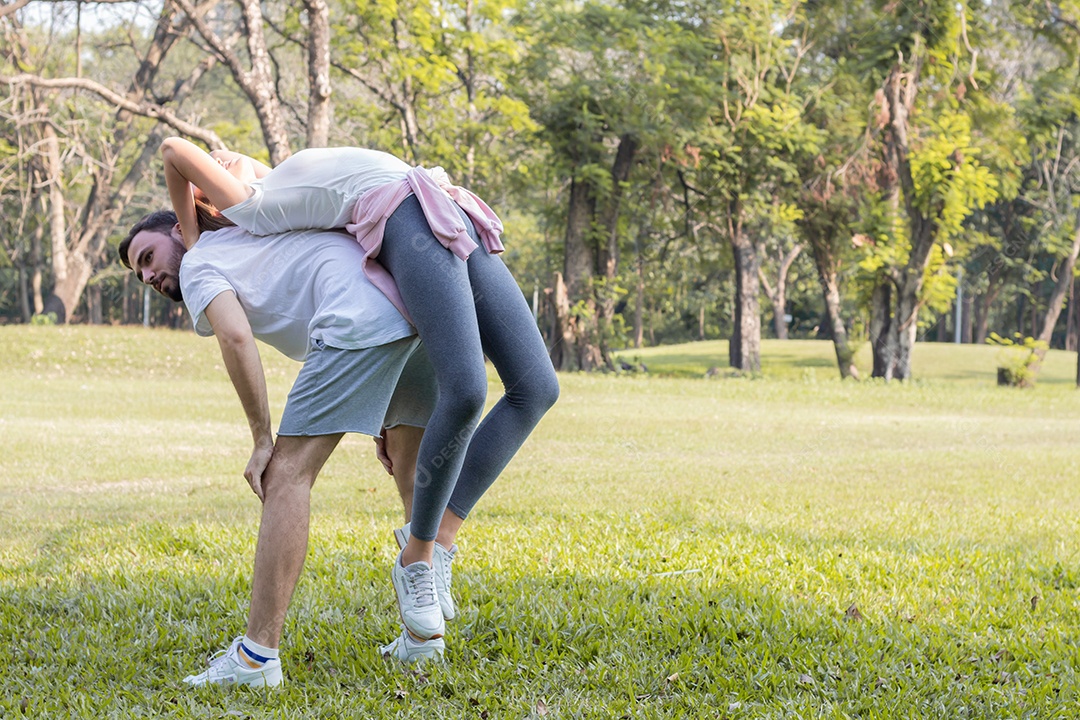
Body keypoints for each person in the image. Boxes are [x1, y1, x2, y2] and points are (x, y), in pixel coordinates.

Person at [160, 137, 560, 646]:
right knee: (465, 390)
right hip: (407, 216)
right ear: (212, 202)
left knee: (536, 387)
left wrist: (388, 403)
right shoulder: (254, 206)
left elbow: (355, 264)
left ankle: (438, 540)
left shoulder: (288, 197)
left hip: (443, 204)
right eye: (209, 172)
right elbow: (174, 149)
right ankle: (418, 557)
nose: (217, 156)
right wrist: (193, 237)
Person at [120, 211, 446, 686]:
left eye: (148, 258)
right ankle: (423, 640)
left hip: (353, 321)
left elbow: (235, 337)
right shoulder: (253, 233)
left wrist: (261, 439)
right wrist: (378, 404)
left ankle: (256, 658)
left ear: (177, 230)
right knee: (408, 463)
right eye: (140, 274)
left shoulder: (199, 260)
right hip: (411, 313)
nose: (148, 275)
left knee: (285, 474)